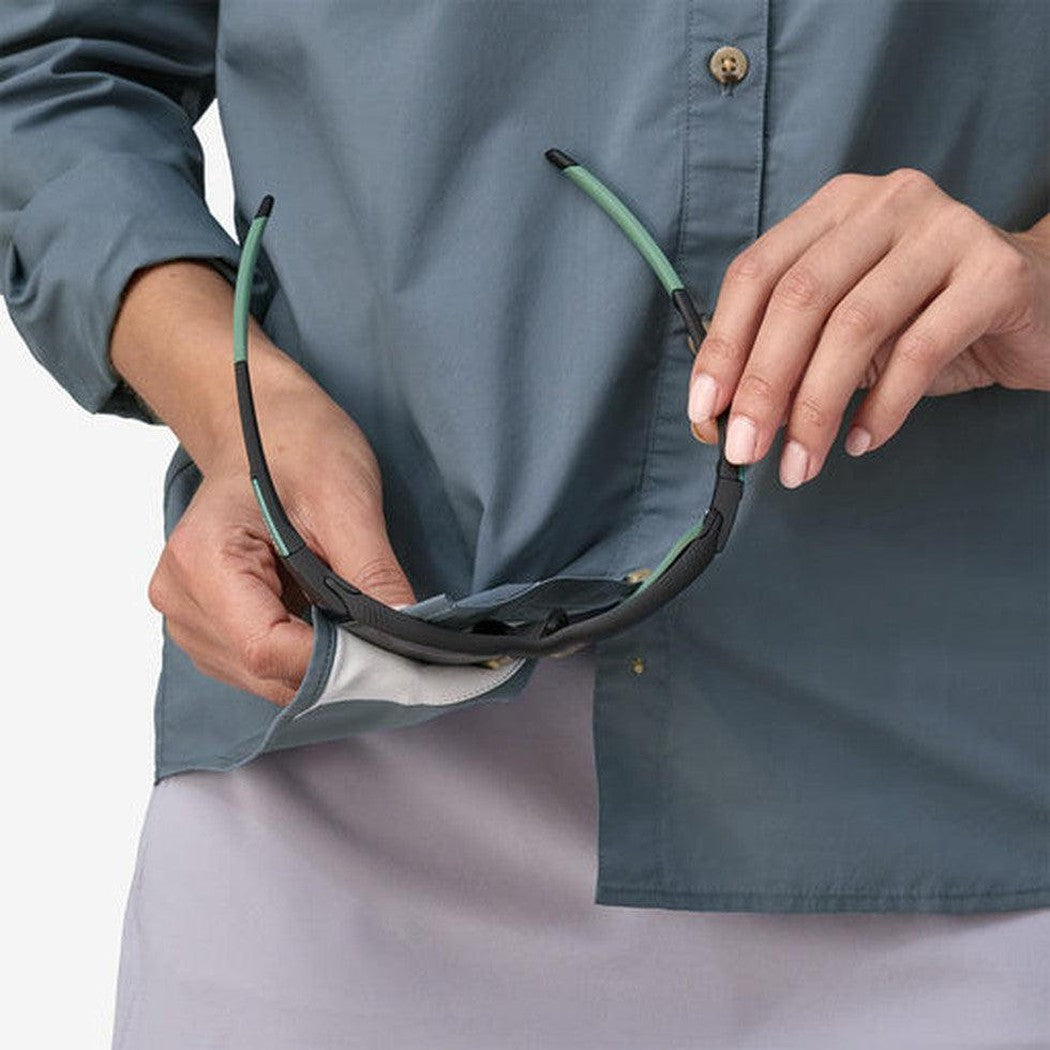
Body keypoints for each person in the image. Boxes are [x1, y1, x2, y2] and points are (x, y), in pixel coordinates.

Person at [1, 2, 1047, 1047]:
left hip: (968, 821)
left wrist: (1035, 272)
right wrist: (236, 413)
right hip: (325, 806)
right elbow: (53, 65)